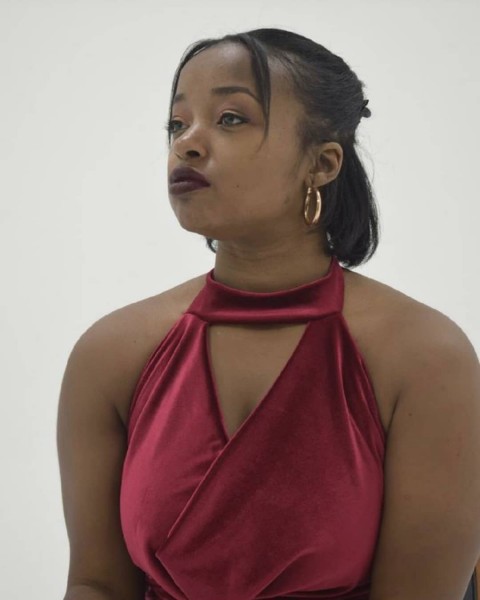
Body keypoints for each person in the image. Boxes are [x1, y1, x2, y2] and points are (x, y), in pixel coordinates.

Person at [58, 28, 480, 600]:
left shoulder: (425, 357)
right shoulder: (109, 354)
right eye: (177, 124)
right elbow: (95, 584)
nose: (187, 144)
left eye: (230, 118)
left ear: (323, 164)